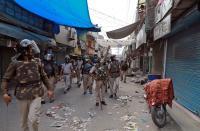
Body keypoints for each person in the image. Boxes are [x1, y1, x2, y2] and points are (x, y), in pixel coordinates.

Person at [1, 39, 53, 131]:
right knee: (23, 123)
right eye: (30, 48)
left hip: (36, 93)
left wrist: (49, 89)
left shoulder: (37, 61)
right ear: (24, 51)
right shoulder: (15, 63)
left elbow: (44, 76)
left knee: (33, 119)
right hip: (22, 95)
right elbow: (6, 79)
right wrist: (4, 93)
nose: (32, 50)